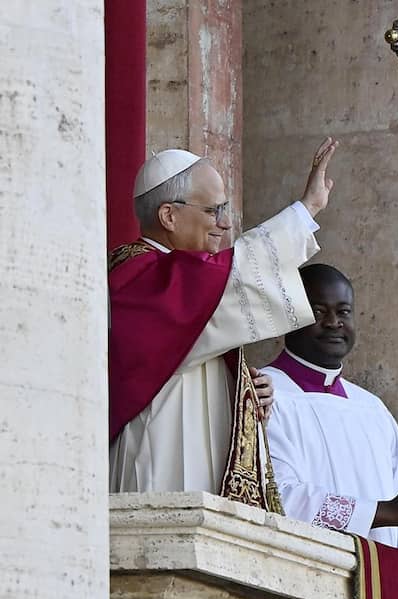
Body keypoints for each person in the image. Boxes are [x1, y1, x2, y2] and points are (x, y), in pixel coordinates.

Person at [109, 138, 338, 496]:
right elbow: (235, 274)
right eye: (214, 210)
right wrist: (306, 210)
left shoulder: (180, 278)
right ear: (169, 215)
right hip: (163, 454)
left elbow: (203, 333)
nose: (225, 224)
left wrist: (244, 387)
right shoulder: (138, 277)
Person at [264, 264, 398, 560]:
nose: (333, 322)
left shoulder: (371, 408)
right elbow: (277, 498)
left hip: (380, 579)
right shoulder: (264, 393)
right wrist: (386, 512)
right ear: (290, 316)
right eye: (319, 311)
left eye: (344, 311)